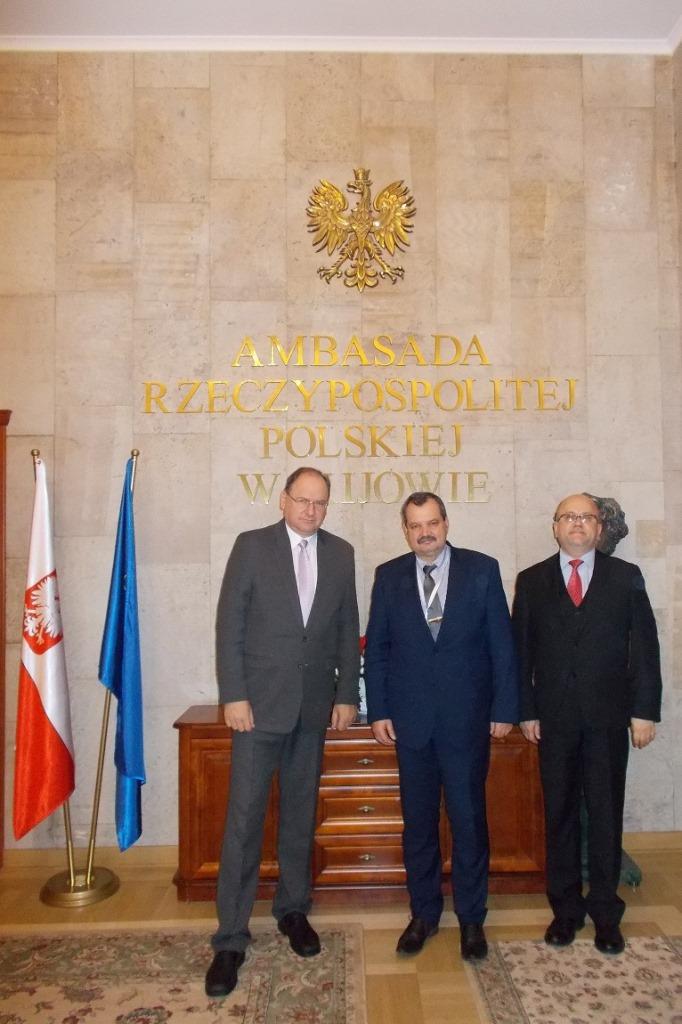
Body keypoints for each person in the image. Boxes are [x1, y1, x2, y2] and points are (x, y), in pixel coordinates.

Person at [205, 467, 360, 998]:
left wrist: (346, 696)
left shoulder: (341, 554)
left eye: (320, 503)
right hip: (257, 710)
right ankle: (230, 938)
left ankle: (294, 911)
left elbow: (345, 626)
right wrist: (234, 695)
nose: (311, 511)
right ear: (283, 500)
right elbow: (231, 625)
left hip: (313, 709)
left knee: (299, 817)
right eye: (303, 500)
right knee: (244, 823)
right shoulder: (251, 547)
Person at [364, 492, 519, 961]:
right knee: (419, 825)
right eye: (415, 525)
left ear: (446, 524)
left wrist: (504, 709)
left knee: (470, 822)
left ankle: (472, 919)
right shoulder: (388, 577)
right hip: (411, 725)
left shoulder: (481, 569)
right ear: (405, 529)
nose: (425, 532)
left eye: (432, 522)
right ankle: (424, 914)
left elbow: (502, 645)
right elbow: (378, 650)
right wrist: (380, 710)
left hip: (467, 722)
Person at [512, 493, 662, 955]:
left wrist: (644, 711)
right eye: (568, 517)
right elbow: (520, 655)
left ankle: (604, 911)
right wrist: (525, 710)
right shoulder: (532, 580)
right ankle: (565, 911)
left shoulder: (626, 578)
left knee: (604, 814)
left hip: (608, 720)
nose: (577, 524)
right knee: (557, 815)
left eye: (586, 518)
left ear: (599, 529)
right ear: (555, 527)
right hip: (553, 721)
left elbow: (645, 648)